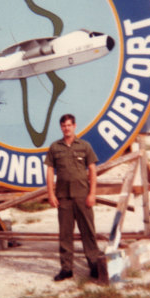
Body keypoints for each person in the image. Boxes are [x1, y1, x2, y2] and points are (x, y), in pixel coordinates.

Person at [45, 113, 101, 281]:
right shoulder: (55, 147)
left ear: (75, 126)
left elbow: (92, 170)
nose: (66, 128)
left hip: (82, 197)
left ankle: (94, 265)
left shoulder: (84, 146)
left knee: (88, 233)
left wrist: (92, 194)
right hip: (63, 198)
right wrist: (50, 193)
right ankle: (67, 269)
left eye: (69, 125)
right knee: (65, 235)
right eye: (63, 126)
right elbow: (49, 171)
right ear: (61, 127)